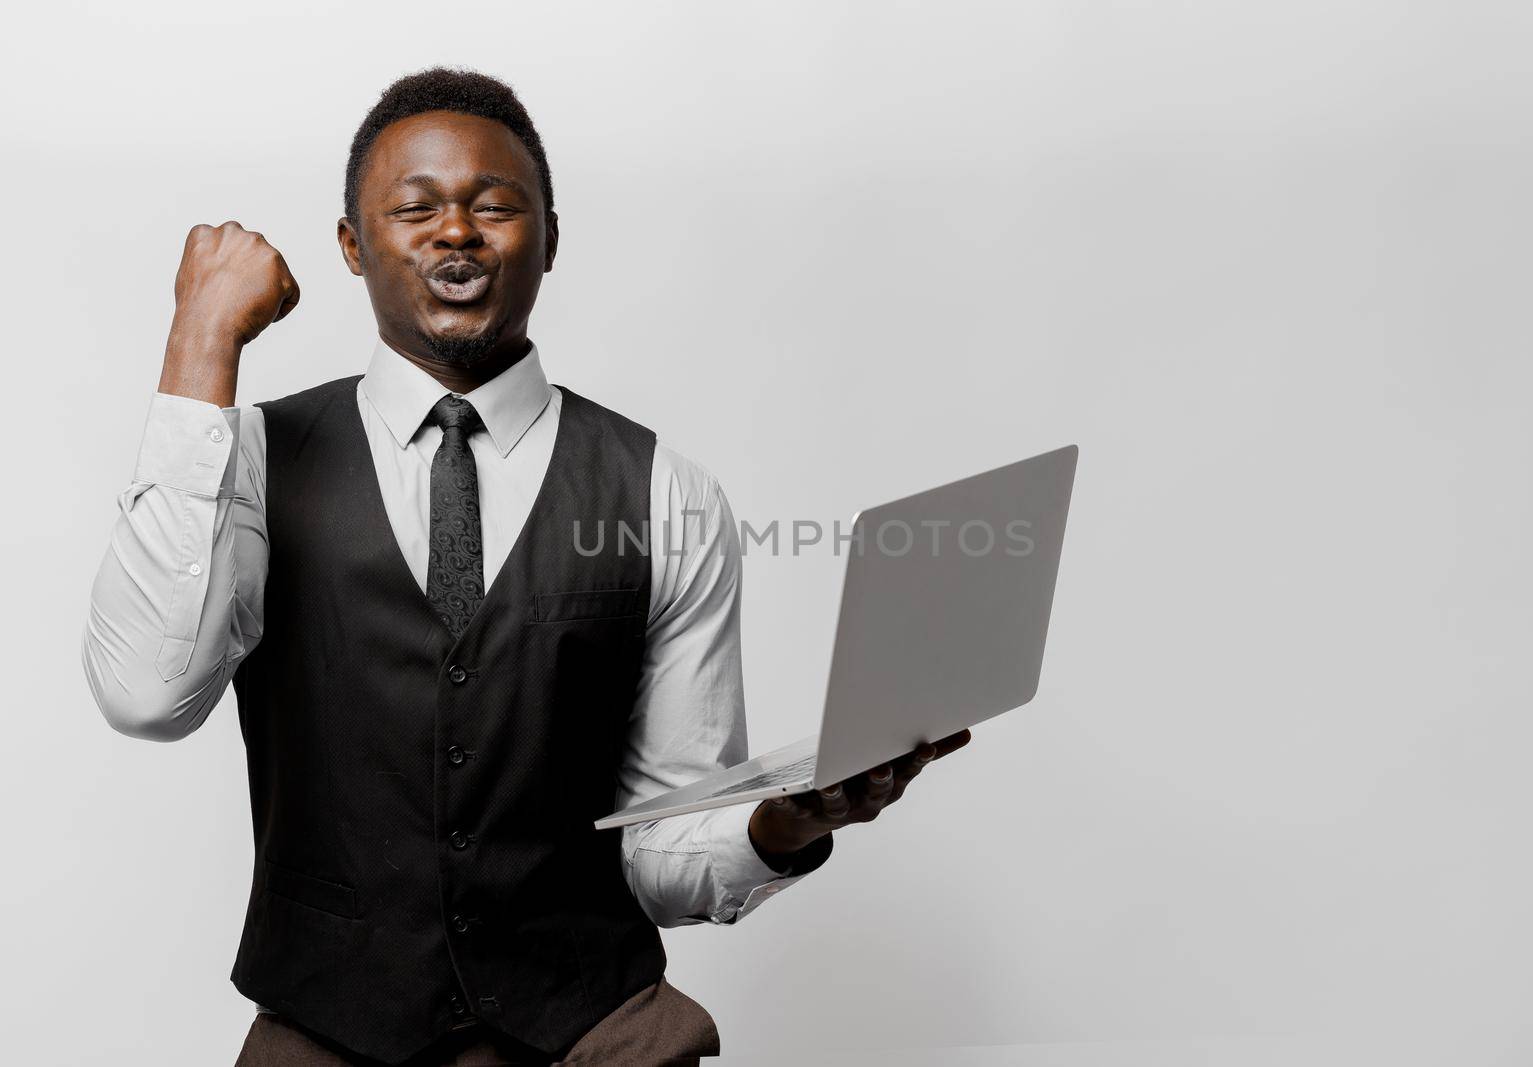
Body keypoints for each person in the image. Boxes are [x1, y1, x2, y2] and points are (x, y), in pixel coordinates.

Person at [80, 67, 970, 1065]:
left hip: (595, 1036)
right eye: (414, 207)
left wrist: (778, 821)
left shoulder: (664, 491)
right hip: (325, 1035)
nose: (454, 230)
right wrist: (201, 337)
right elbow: (149, 691)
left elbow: (662, 853)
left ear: (548, 236)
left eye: (494, 205)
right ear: (351, 244)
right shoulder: (241, 459)